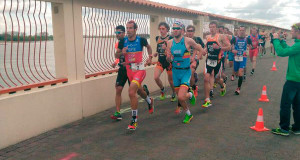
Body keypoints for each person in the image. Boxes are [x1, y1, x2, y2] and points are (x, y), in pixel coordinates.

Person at [116, 20, 154, 130]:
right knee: (139, 91)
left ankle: (134, 120)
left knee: (131, 91)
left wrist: (150, 56)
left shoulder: (141, 40)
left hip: (139, 70)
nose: (128, 30)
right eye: (127, 28)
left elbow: (149, 47)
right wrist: (121, 52)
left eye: (130, 28)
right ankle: (149, 101)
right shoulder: (123, 41)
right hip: (129, 70)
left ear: (135, 29)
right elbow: (116, 54)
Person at [166, 21, 204, 123]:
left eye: (177, 28)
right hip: (175, 72)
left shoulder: (188, 40)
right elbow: (168, 59)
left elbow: (201, 49)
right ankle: (189, 114)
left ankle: (190, 94)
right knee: (181, 98)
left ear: (182, 30)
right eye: (173, 28)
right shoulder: (169, 42)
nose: (175, 30)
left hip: (185, 72)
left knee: (181, 96)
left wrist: (195, 59)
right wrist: (168, 58)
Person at [271, 23, 300, 136]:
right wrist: (282, 41)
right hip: (298, 81)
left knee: (285, 104)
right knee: (297, 105)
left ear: (298, 31)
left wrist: (276, 40)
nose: (290, 32)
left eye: (292, 30)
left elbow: (282, 53)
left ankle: (284, 128)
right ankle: (297, 128)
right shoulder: (297, 45)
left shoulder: (298, 45)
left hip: (293, 80)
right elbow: (289, 50)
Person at [202, 21, 231, 108]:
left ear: (217, 28)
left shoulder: (221, 36)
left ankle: (222, 85)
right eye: (210, 27)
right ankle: (207, 100)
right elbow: (207, 47)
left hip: (218, 61)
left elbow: (229, 47)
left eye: (213, 27)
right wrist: (204, 51)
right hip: (209, 60)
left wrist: (219, 48)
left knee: (217, 79)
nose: (211, 29)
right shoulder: (208, 37)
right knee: (206, 78)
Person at [154, 22, 176, 101]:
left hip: (169, 62)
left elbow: (173, 50)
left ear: (167, 29)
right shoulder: (158, 38)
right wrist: (156, 53)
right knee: (156, 77)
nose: (161, 30)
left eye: (163, 29)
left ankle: (174, 92)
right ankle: (162, 90)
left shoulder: (170, 38)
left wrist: (166, 47)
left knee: (170, 80)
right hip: (160, 61)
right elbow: (158, 48)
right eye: (160, 29)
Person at [110, 25, 128, 120]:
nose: (117, 34)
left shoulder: (128, 41)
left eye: (119, 32)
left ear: (124, 33)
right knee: (118, 89)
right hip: (122, 70)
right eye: (116, 33)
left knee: (137, 91)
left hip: (131, 69)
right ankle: (118, 113)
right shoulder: (118, 43)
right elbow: (118, 55)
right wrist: (115, 62)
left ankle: (148, 98)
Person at [231, 26, 252, 95]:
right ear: (238, 31)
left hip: (243, 57)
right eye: (240, 30)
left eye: (243, 30)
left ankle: (238, 88)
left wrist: (248, 50)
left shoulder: (248, 39)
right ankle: (238, 75)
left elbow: (250, 47)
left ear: (245, 31)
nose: (241, 31)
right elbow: (231, 47)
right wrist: (233, 50)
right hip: (236, 58)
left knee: (240, 72)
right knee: (236, 72)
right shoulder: (234, 39)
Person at [185, 25, 205, 97]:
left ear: (194, 32)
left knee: (191, 72)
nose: (190, 33)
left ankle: (193, 89)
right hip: (185, 60)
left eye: (191, 31)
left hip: (195, 60)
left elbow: (203, 49)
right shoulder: (184, 39)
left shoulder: (197, 39)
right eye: (188, 31)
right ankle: (192, 84)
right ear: (186, 31)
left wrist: (198, 56)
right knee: (187, 75)